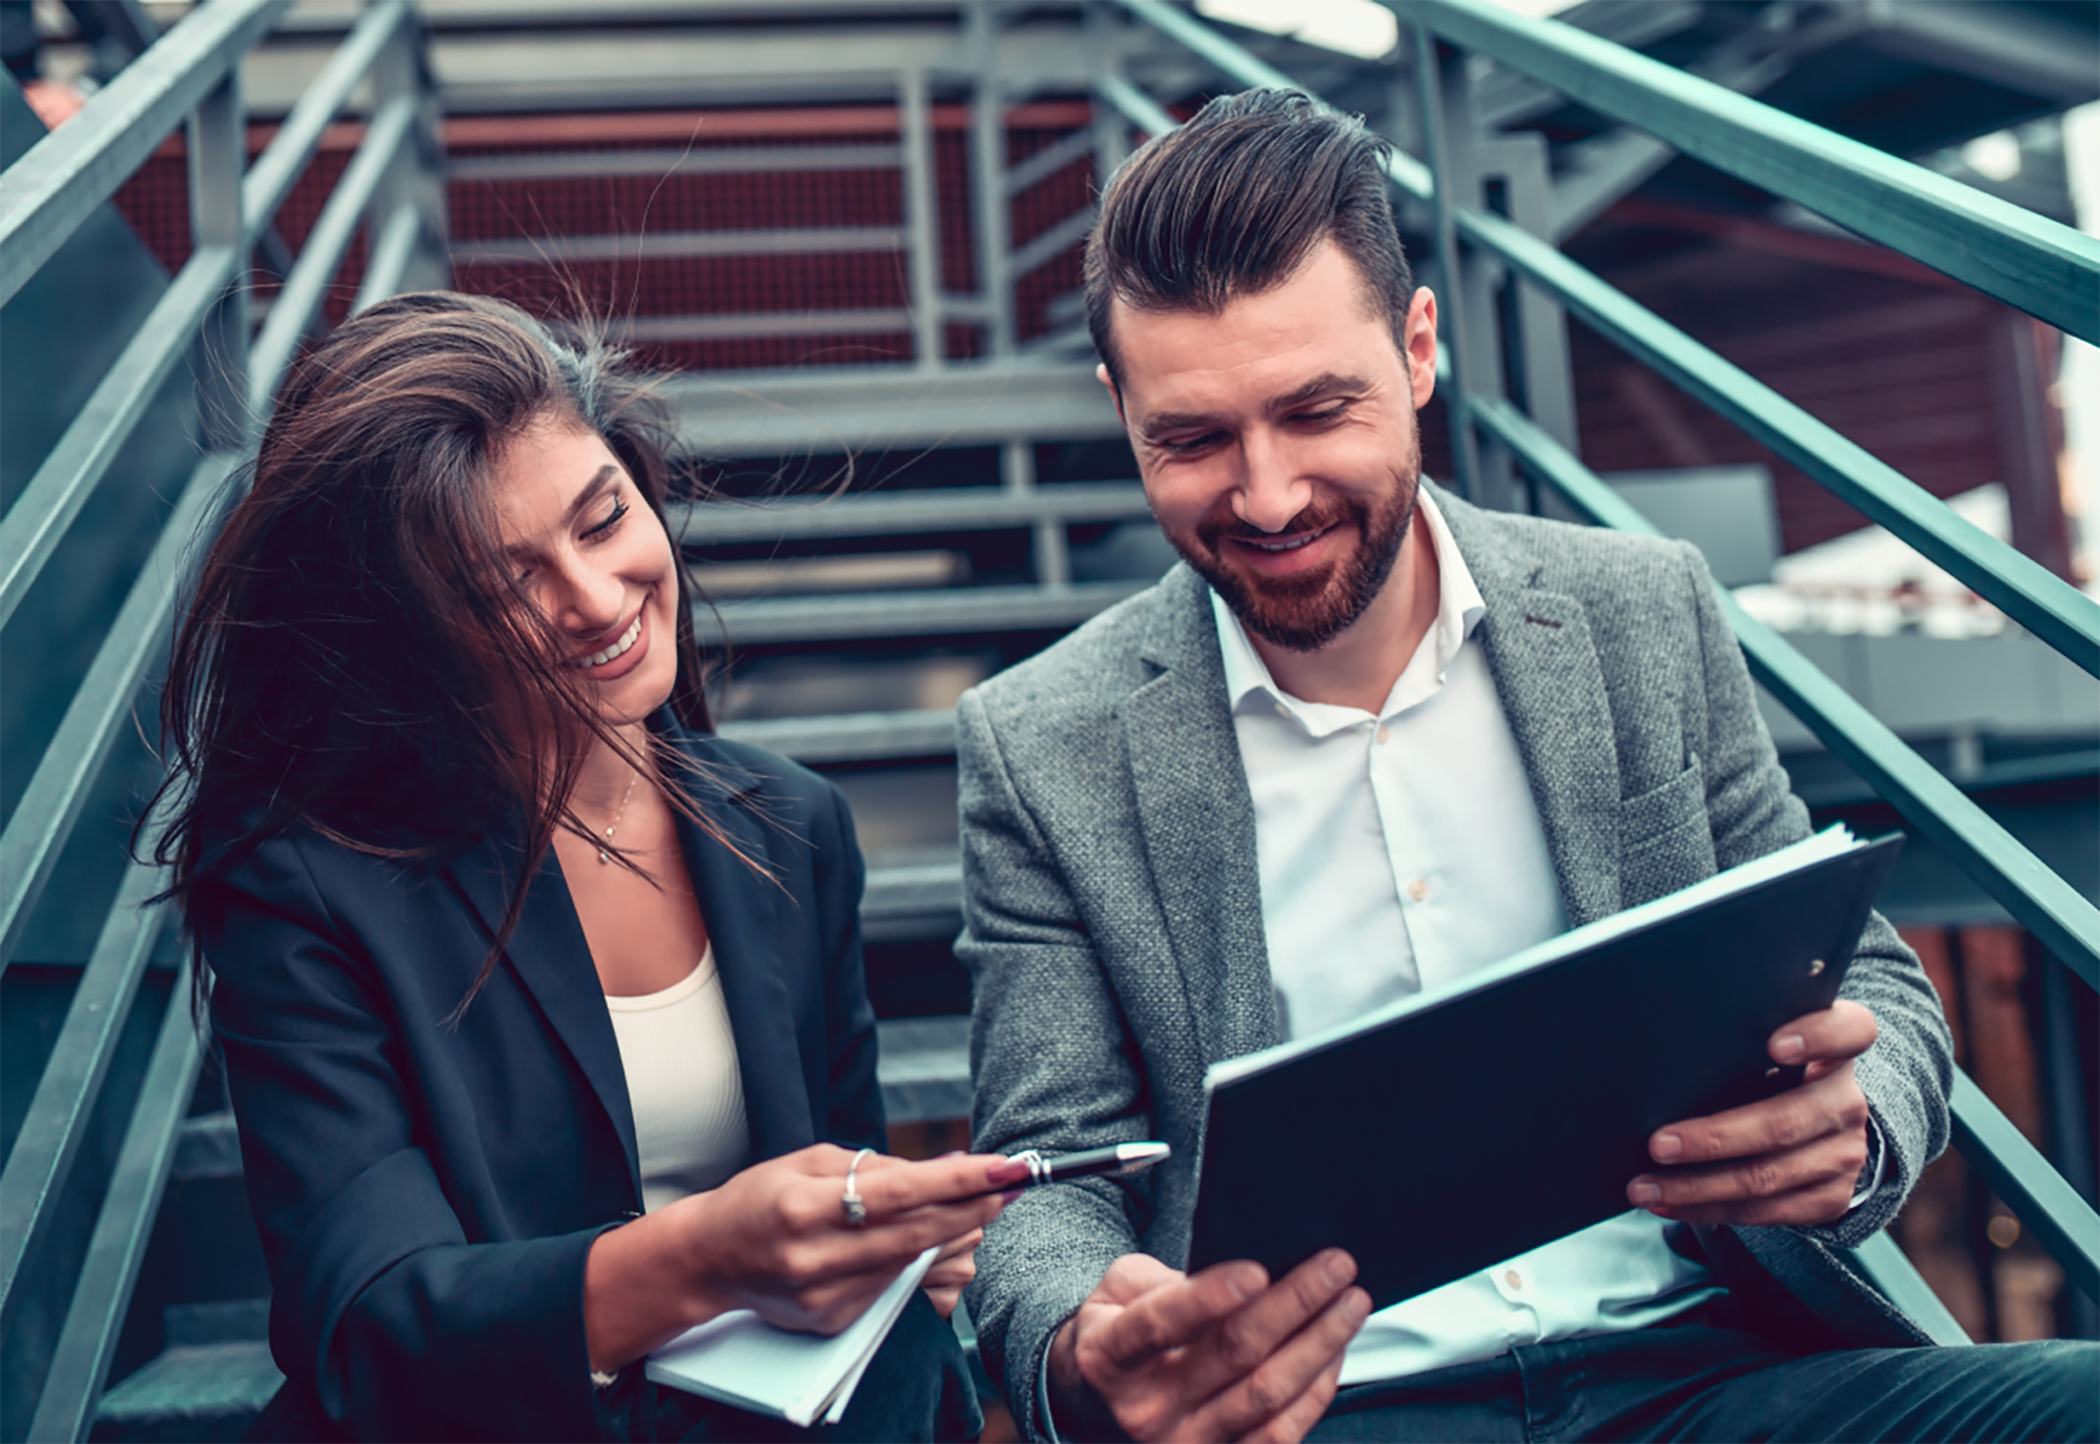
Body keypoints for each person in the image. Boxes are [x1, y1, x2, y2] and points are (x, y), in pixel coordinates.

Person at [957, 90, 2100, 1444]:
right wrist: (1093, 1341)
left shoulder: (1640, 611)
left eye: (1318, 410)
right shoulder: (1043, 746)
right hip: (1341, 1412)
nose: (1266, 499)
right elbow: (1054, 1177)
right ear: (1121, 407)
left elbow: (1868, 983)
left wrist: (1860, 1120)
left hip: (1708, 1370)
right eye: (1193, 439)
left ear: (1421, 346)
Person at [151, 292, 1019, 1444]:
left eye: (603, 518)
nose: (596, 599)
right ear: (412, 627)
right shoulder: (307, 881)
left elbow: (836, 1168)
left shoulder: (792, 825)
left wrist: (894, 1236)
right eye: (504, 583)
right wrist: (711, 1255)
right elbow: (368, 1325)